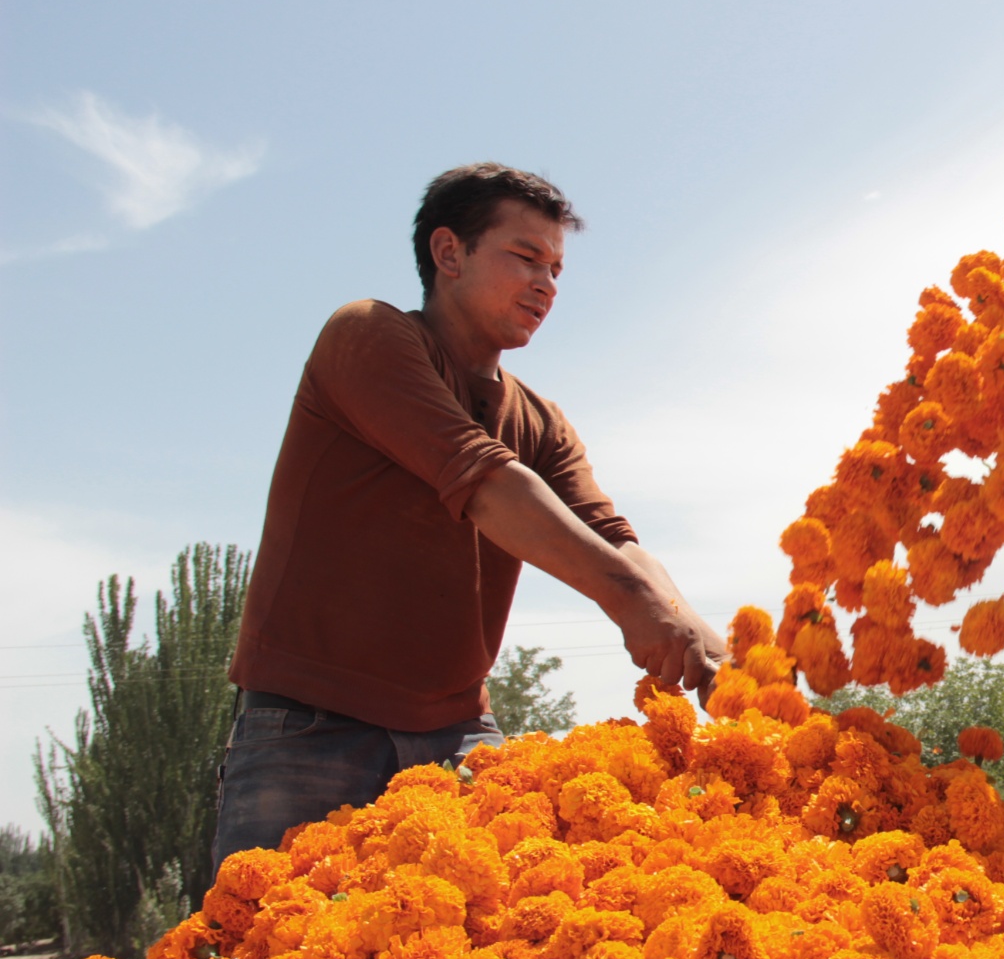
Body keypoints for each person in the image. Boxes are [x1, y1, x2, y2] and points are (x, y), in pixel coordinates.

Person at [213, 163, 724, 867]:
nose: (546, 283)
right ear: (448, 253)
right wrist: (633, 601)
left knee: (491, 955)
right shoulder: (365, 338)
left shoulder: (541, 420)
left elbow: (615, 538)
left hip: (458, 734)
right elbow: (485, 482)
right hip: (309, 731)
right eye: (525, 258)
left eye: (556, 268)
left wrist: (706, 643)